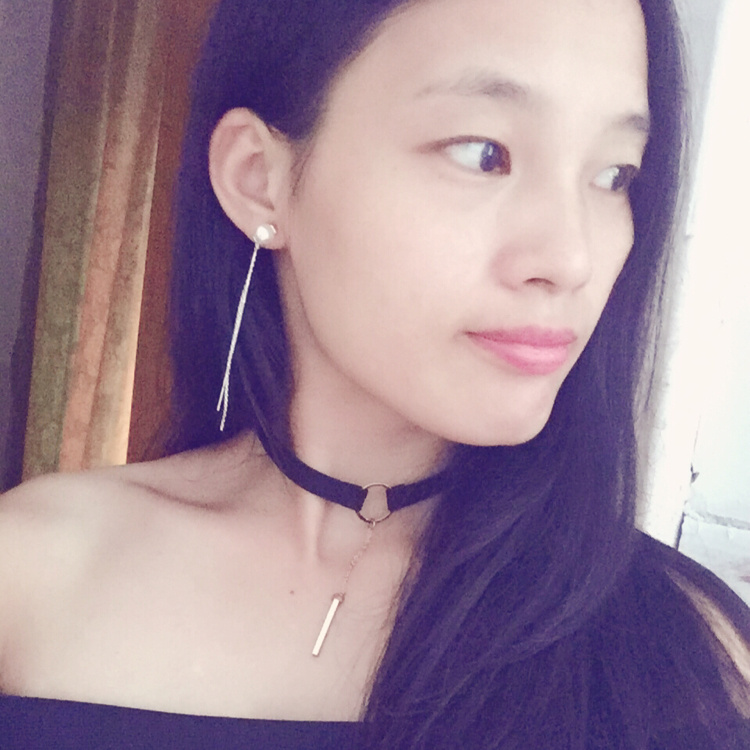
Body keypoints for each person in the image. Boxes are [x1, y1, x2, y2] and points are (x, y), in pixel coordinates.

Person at [1, 0, 749, 747]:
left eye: (614, 174)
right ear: (260, 179)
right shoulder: (32, 576)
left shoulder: (693, 657)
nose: (570, 259)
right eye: (483, 154)